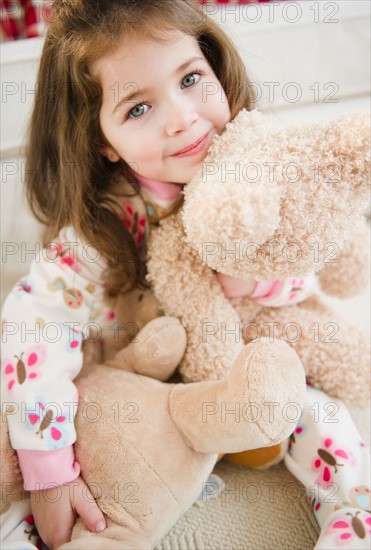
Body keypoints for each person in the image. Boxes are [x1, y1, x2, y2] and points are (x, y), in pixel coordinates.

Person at [1, 1, 370, 549]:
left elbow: (309, 257)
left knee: (323, 417)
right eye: (137, 109)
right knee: (28, 478)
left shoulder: (260, 162)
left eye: (192, 79)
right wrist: (50, 466)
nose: (182, 116)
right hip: (142, 388)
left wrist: (256, 282)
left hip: (244, 371)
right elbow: (36, 326)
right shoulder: (107, 225)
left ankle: (352, 519)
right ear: (102, 141)